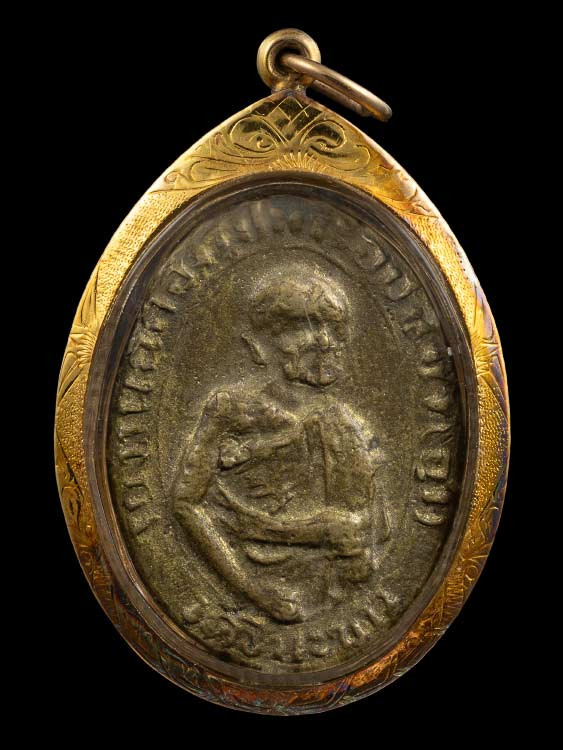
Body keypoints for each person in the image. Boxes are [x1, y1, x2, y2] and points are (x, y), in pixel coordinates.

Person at [173, 271, 388, 623]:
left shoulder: (344, 424)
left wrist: (266, 529)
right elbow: (185, 504)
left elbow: (361, 528)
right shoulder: (231, 409)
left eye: (333, 327)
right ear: (262, 343)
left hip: (330, 591)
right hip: (254, 586)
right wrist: (254, 591)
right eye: (301, 327)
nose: (323, 339)